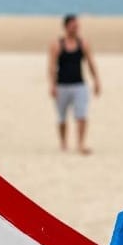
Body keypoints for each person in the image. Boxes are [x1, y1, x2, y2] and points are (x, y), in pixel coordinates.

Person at [49, 14, 101, 154]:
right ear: (66, 27)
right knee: (61, 117)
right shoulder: (57, 45)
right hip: (62, 85)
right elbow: (52, 67)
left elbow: (90, 63)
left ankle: (81, 144)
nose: (76, 28)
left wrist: (96, 80)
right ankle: (63, 142)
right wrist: (52, 85)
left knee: (81, 115)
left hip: (79, 85)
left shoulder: (83, 43)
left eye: (77, 26)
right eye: (73, 26)